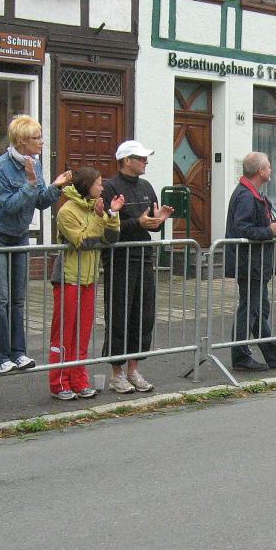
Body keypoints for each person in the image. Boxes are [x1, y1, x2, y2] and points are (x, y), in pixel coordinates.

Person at [0, 115, 73, 374]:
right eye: (36, 137)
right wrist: (31, 184)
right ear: (22, 140)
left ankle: (19, 353)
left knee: (18, 299)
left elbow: (41, 202)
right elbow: (9, 205)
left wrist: (56, 187)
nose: (42, 142)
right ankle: (0, 357)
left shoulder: (36, 163)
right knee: (0, 299)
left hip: (20, 234)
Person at [101, 140, 173, 394]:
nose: (146, 162)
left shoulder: (146, 186)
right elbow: (108, 225)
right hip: (120, 260)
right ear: (126, 160)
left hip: (144, 257)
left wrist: (159, 220)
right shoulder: (110, 187)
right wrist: (139, 224)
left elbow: (151, 223)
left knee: (143, 315)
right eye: (141, 158)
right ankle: (117, 373)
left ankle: (133, 369)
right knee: (119, 314)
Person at [48, 167, 123, 400]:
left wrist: (112, 214)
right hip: (69, 278)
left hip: (90, 278)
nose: (102, 187)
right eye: (99, 183)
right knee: (64, 334)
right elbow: (84, 241)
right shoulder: (67, 211)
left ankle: (79, 380)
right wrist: (100, 218)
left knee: (82, 333)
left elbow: (110, 239)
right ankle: (59, 382)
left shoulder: (95, 208)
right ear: (87, 185)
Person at [225, 152, 276, 371]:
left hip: (256, 263)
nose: (271, 170)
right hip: (249, 263)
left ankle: (275, 356)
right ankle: (241, 357)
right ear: (260, 171)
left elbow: (258, 226)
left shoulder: (254, 194)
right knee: (250, 310)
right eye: (268, 167)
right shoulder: (246, 196)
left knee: (259, 311)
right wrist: (270, 231)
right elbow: (243, 229)